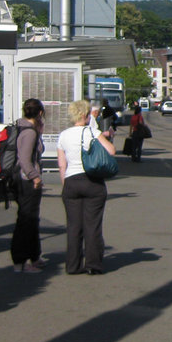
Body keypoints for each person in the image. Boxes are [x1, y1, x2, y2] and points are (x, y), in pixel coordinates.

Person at [58, 99, 116, 275]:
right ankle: (93, 265)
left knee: (74, 226)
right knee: (92, 225)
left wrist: (65, 184)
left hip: (71, 182)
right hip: (92, 182)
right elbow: (111, 150)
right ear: (84, 115)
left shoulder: (64, 135)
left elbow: (62, 164)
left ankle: (73, 265)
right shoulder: (92, 131)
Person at [9, 98, 46, 273]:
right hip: (26, 180)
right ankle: (21, 262)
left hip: (20, 178)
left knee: (31, 218)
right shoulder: (30, 132)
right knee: (26, 219)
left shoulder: (21, 127)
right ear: (39, 113)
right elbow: (25, 158)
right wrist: (35, 177)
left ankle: (33, 256)